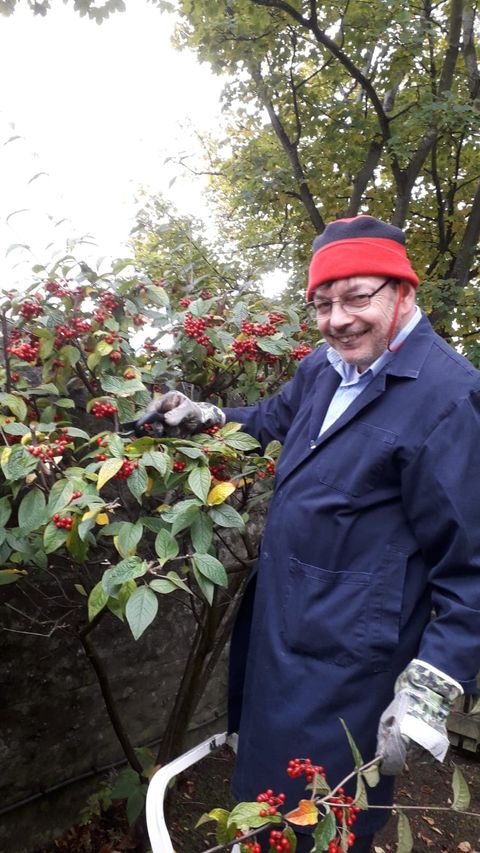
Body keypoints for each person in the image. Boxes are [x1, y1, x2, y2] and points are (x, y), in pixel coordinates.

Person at [136, 216, 480, 852]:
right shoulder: (325, 370)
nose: (338, 319)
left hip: (351, 668)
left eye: (357, 297)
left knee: (324, 820)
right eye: (323, 304)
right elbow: (269, 418)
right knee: (264, 800)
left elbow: (472, 567)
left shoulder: (447, 399)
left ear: (403, 291)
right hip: (282, 631)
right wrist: (202, 414)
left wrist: (431, 688)